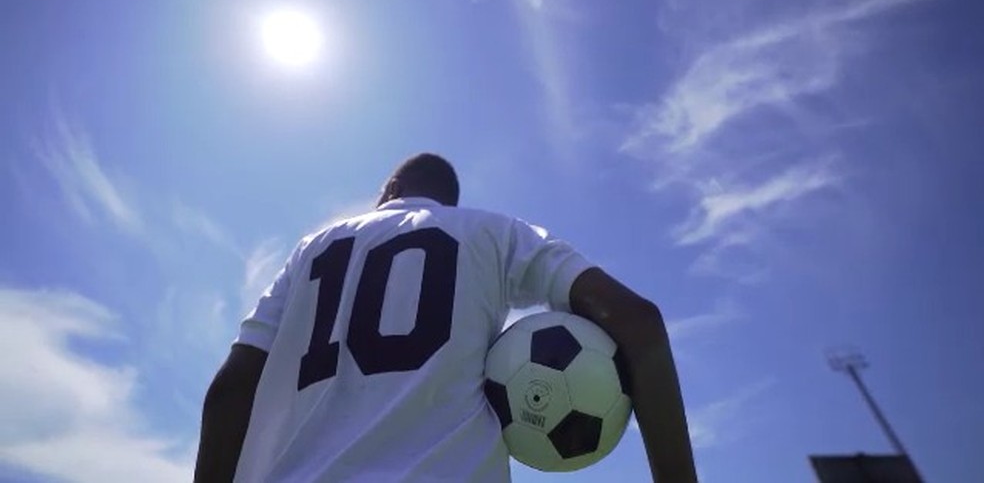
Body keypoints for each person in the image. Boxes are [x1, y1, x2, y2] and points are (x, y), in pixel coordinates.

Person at [195, 153, 697, 482]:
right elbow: (638, 322)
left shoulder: (313, 250)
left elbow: (228, 391)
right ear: (446, 200)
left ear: (390, 188)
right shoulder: (495, 234)